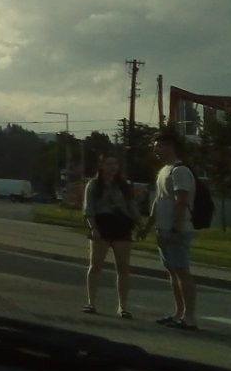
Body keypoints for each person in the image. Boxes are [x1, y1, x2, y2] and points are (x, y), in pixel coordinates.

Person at [140, 132, 199, 330]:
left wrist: (175, 228)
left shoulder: (179, 171)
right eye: (155, 146)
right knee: (172, 272)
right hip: (163, 229)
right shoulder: (163, 171)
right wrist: (148, 226)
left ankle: (189, 317)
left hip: (177, 230)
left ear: (170, 146)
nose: (155, 150)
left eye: (159, 146)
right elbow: (158, 201)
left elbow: (181, 201)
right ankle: (178, 313)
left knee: (182, 271)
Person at [81, 154, 138, 317]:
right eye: (108, 163)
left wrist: (140, 224)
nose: (112, 167)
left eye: (115, 164)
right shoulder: (94, 184)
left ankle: (123, 306)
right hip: (102, 225)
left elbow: (132, 206)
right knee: (96, 265)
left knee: (123, 267)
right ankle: (91, 302)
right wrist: (93, 228)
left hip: (121, 226)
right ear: (101, 166)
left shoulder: (123, 185)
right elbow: (89, 208)